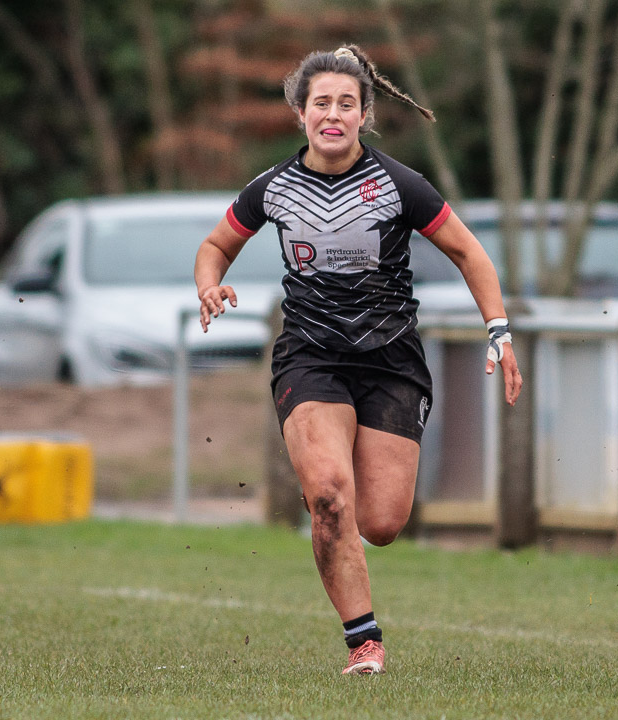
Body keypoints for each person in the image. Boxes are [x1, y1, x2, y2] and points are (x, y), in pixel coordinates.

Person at [194, 45, 522, 676]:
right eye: (322, 103)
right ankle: (364, 643)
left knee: (382, 521)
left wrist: (499, 331)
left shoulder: (399, 184)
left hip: (391, 361)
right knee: (329, 498)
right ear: (301, 113)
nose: (334, 114)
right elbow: (216, 244)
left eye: (348, 103)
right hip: (310, 358)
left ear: (366, 113)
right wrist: (210, 283)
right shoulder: (274, 188)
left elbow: (470, 255)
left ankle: (359, 585)